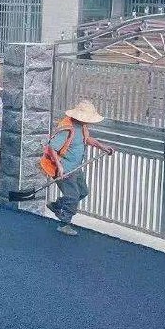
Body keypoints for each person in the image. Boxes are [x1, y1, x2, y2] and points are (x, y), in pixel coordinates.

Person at [43, 100, 115, 236]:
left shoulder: (82, 127)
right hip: (65, 169)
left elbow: (87, 139)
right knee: (73, 196)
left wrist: (102, 147)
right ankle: (64, 224)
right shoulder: (67, 128)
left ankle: (57, 205)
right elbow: (52, 147)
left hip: (76, 168)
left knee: (83, 192)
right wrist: (59, 166)